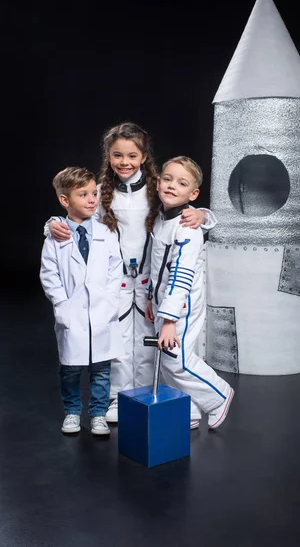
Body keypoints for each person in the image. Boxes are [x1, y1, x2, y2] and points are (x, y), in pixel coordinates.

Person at [44, 122, 216, 423]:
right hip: (114, 282)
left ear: (143, 156)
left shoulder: (158, 189)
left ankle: (160, 396)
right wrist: (51, 224)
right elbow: (76, 216)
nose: (125, 162)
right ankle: (118, 398)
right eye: (117, 156)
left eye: (132, 156)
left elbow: (182, 217)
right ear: (108, 156)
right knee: (117, 341)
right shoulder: (99, 194)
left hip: (151, 283)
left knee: (153, 341)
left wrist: (204, 215)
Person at [145, 156, 234, 430]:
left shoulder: (188, 228)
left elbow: (181, 276)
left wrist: (170, 320)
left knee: (175, 358)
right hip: (163, 302)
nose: (172, 186)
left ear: (192, 194)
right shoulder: (160, 219)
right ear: (158, 182)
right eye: (168, 179)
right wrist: (150, 297)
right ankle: (191, 411)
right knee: (166, 359)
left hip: (182, 305)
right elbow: (155, 263)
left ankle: (219, 396)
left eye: (181, 183)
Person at [40, 167, 124, 436]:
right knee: (71, 369)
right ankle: (72, 412)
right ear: (65, 201)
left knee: (101, 368)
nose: (92, 199)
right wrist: (62, 305)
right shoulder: (56, 235)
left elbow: (115, 268)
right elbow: (49, 273)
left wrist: (111, 301)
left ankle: (98, 414)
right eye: (83, 194)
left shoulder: (106, 232)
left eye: (93, 193)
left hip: (102, 312)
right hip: (72, 313)